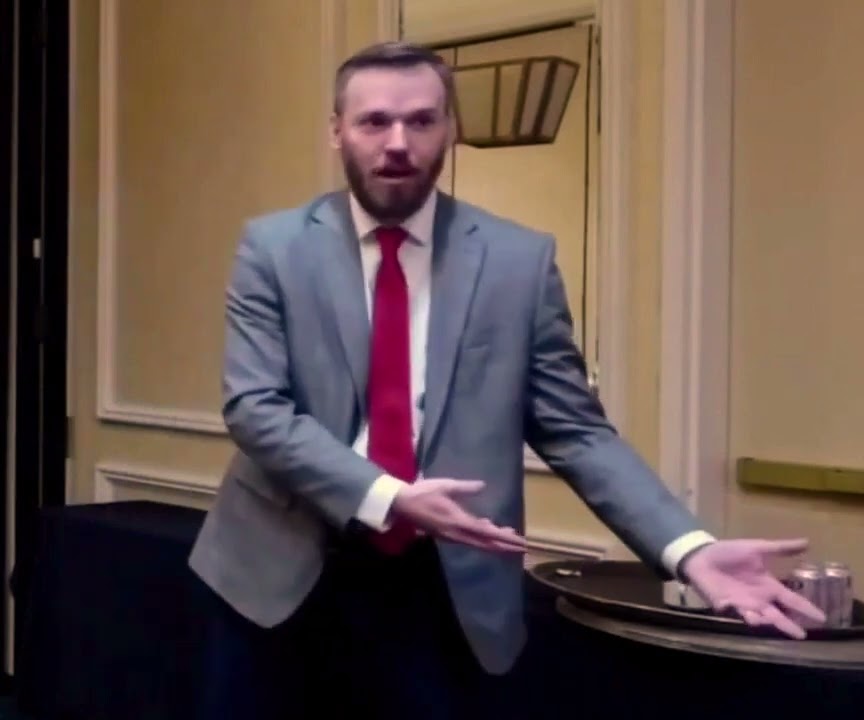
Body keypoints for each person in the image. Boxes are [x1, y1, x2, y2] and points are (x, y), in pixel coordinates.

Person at [187, 41, 825, 718]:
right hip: (274, 579)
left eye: (421, 120)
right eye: (374, 121)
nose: (398, 142)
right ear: (337, 130)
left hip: (446, 584)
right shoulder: (275, 248)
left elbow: (576, 431)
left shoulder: (520, 261)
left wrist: (687, 549)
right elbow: (256, 409)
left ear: (451, 129)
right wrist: (389, 496)